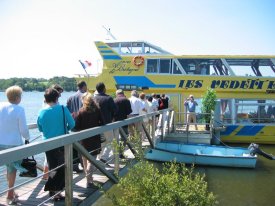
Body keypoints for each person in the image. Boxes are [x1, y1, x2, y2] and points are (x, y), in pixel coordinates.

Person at [37, 88, 75, 201]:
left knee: (53, 167)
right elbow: (72, 124)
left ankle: (53, 191)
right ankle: (55, 191)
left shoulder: (41, 112)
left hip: (48, 144)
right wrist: (65, 128)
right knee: (63, 168)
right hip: (62, 142)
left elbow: (40, 128)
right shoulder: (63, 109)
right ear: (57, 98)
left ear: (45, 99)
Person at [0, 86, 30, 205]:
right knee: (12, 169)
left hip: (0, 142)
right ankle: (10, 195)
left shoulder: (1, 106)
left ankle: (11, 191)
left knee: (8, 167)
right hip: (13, 144)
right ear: (17, 97)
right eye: (21, 96)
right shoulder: (19, 109)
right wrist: (27, 138)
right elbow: (23, 130)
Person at [74, 92, 103, 188]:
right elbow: (102, 122)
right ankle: (89, 180)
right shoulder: (97, 110)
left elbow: (76, 126)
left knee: (85, 158)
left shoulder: (81, 111)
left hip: (84, 139)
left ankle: (88, 179)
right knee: (92, 159)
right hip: (94, 138)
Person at [43, 84, 64, 180]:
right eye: (59, 93)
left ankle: (46, 177)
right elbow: (71, 124)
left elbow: (40, 126)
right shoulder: (59, 107)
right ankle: (54, 184)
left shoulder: (44, 108)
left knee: (50, 161)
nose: (60, 95)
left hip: (48, 136)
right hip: (57, 136)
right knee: (57, 162)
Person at [93, 82, 117, 163]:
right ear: (104, 89)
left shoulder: (93, 98)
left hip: (95, 124)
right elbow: (115, 110)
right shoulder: (108, 98)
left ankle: (100, 156)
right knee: (111, 141)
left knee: (102, 142)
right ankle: (104, 157)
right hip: (107, 123)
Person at [66, 81, 87, 172]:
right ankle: (84, 165)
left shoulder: (70, 97)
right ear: (84, 86)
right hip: (82, 124)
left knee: (75, 146)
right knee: (83, 146)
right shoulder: (85, 96)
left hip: (73, 124)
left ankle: (75, 166)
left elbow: (67, 110)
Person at [114, 89, 132, 158]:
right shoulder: (126, 100)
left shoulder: (113, 100)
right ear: (123, 93)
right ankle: (120, 153)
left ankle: (116, 153)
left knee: (115, 139)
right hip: (124, 123)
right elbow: (129, 113)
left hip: (114, 123)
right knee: (124, 138)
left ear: (117, 94)